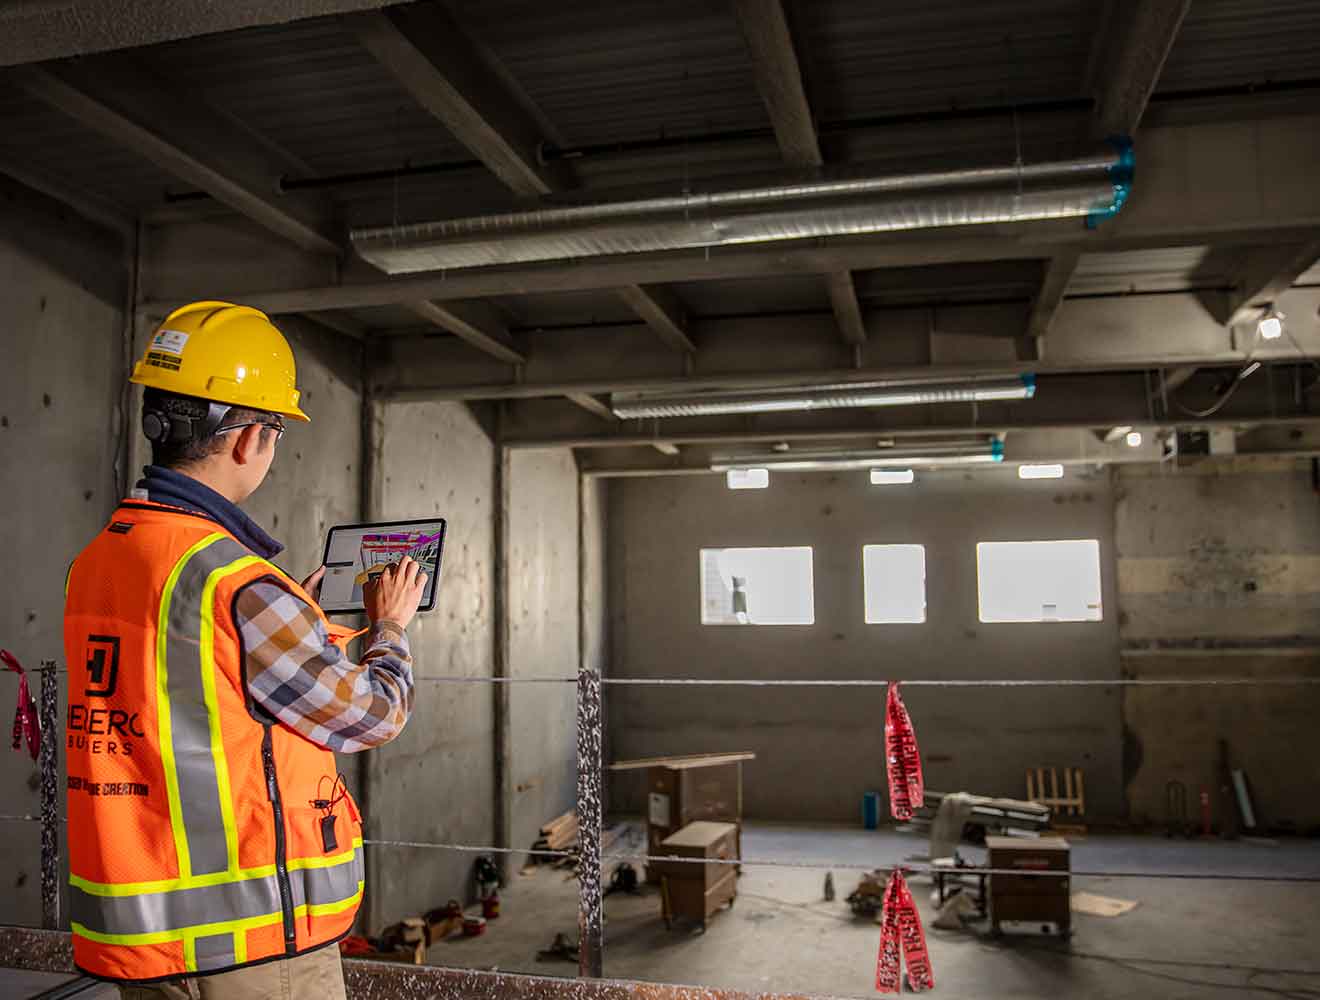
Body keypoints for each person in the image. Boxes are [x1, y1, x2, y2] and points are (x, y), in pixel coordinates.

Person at [63, 301, 426, 999]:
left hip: (148, 936)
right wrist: (390, 628)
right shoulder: (239, 587)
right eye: (276, 432)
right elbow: (373, 714)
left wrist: (298, 616)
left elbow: (190, 688)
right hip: (250, 950)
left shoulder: (102, 558)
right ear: (248, 439)